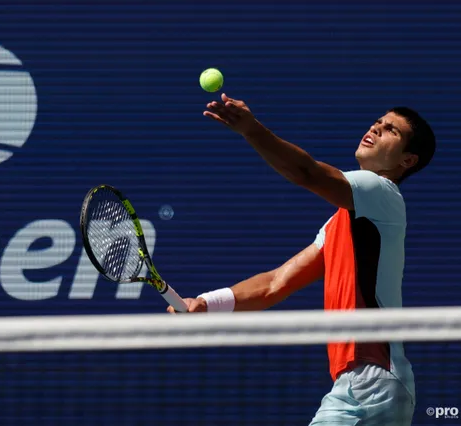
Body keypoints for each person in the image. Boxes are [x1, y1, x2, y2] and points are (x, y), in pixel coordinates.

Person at [167, 94, 436, 426]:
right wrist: (207, 303)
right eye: (378, 122)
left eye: (391, 130)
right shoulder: (345, 221)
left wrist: (252, 130)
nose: (376, 128)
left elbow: (307, 172)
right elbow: (275, 284)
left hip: (369, 382)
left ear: (407, 161)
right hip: (370, 384)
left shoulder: (381, 192)